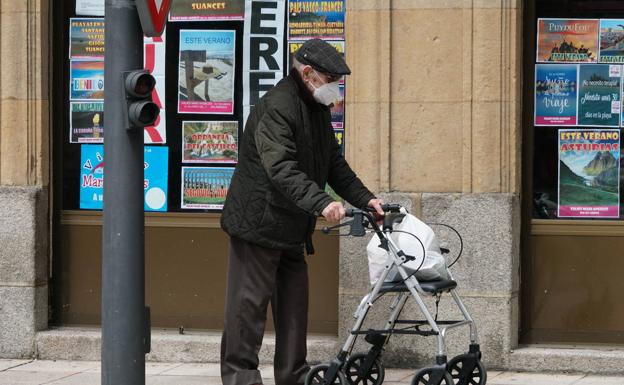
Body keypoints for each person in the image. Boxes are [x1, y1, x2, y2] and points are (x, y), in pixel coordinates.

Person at [220, 38, 383, 385]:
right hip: (258, 224)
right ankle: (240, 378)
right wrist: (322, 203)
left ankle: (294, 378)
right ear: (307, 73)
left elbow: (334, 164)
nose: (335, 89)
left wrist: (366, 199)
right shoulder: (278, 106)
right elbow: (281, 168)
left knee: (294, 308)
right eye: (330, 80)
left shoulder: (315, 107)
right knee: (247, 310)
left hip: (291, 227)